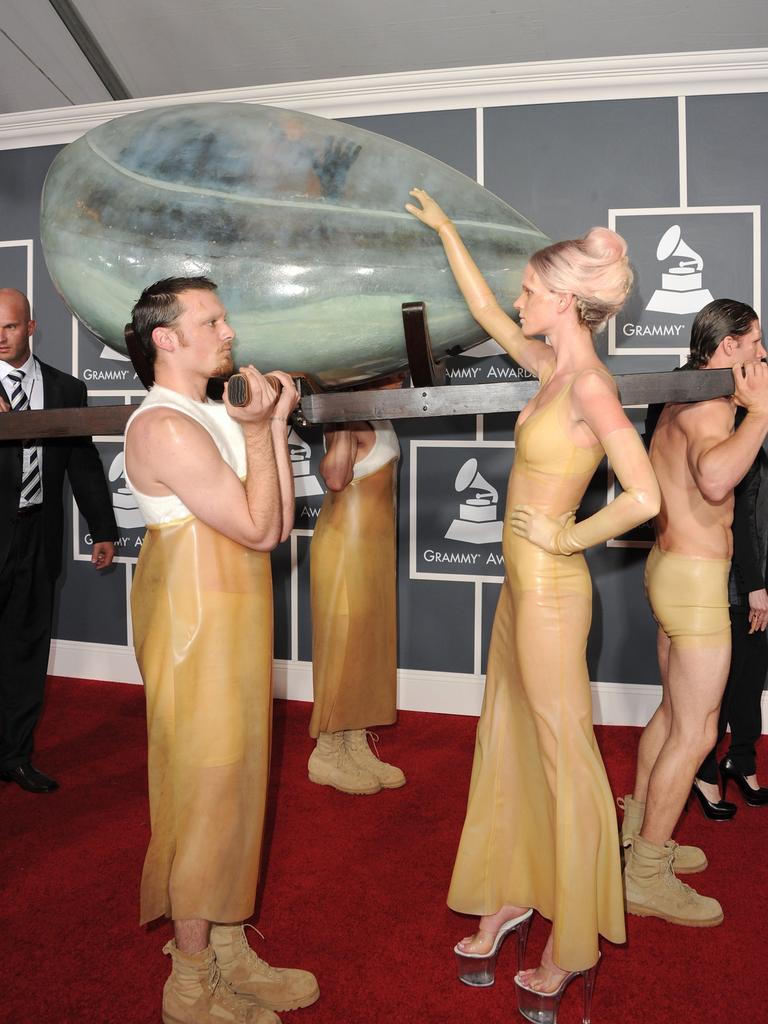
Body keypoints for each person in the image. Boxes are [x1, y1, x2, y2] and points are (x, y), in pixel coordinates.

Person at [406, 189, 659, 1021]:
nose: (518, 302)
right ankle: (514, 892)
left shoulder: (588, 383)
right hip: (522, 592)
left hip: (552, 591)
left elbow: (644, 497)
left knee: (564, 756)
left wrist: (565, 538)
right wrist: (447, 232)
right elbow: (483, 307)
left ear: (563, 299)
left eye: (528, 291)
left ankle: (570, 939)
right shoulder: (552, 366)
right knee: (508, 736)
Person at [123, 277, 318, 1024]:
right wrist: (265, 427)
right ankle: (191, 981)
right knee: (204, 790)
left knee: (238, 779)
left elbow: (271, 516)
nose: (229, 329)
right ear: (165, 338)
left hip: (231, 610)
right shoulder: (165, 427)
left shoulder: (207, 411)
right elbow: (262, 528)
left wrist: (265, 425)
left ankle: (229, 948)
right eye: (210, 319)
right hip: (195, 620)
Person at [622, 298, 768, 927]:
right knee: (698, 728)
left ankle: (636, 833)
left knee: (674, 712)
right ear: (728, 345)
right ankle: (646, 874)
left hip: (670, 571)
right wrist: (759, 414)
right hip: (696, 583)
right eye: (755, 342)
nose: (762, 354)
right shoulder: (711, 404)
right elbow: (714, 480)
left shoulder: (684, 394)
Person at [0, 287, 116, 794]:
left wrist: (104, 527)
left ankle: (15, 757)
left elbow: (83, 463)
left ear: (30, 327)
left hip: (38, 538)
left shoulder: (66, 388)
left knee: (26, 652)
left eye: (8, 326)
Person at [307, 409, 404, 795]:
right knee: (341, 648)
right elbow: (334, 477)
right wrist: (342, 417)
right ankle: (326, 752)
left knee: (364, 648)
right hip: (344, 548)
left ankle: (355, 742)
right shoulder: (345, 414)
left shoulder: (378, 414)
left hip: (372, 550)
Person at [695, 437, 768, 809]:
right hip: (739, 587)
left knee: (751, 681)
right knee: (722, 686)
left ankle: (741, 760)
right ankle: (705, 771)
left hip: (760, 585)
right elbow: (738, 519)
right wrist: (754, 586)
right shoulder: (742, 438)